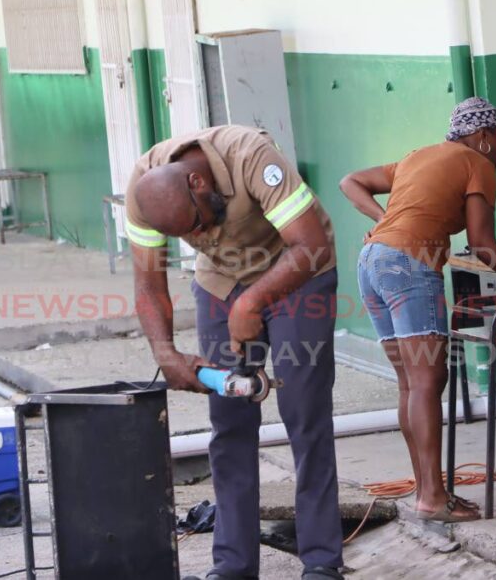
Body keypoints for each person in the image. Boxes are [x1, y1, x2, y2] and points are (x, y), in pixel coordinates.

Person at [126, 125, 343, 580]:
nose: (201, 234)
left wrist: (251, 302)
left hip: (298, 270)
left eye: (199, 222)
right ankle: (233, 565)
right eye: (190, 235)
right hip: (220, 281)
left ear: (197, 183)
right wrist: (165, 352)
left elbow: (311, 245)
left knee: (303, 411)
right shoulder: (143, 190)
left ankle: (322, 560)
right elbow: (148, 285)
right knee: (229, 421)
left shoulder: (250, 156)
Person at [340, 97, 496, 523]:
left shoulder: (417, 157)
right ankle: (433, 497)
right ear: (481, 137)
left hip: (371, 261)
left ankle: (427, 490)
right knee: (427, 380)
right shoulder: (476, 164)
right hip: (408, 264)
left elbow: (350, 181)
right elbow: (482, 244)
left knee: (410, 383)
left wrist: (385, 218)